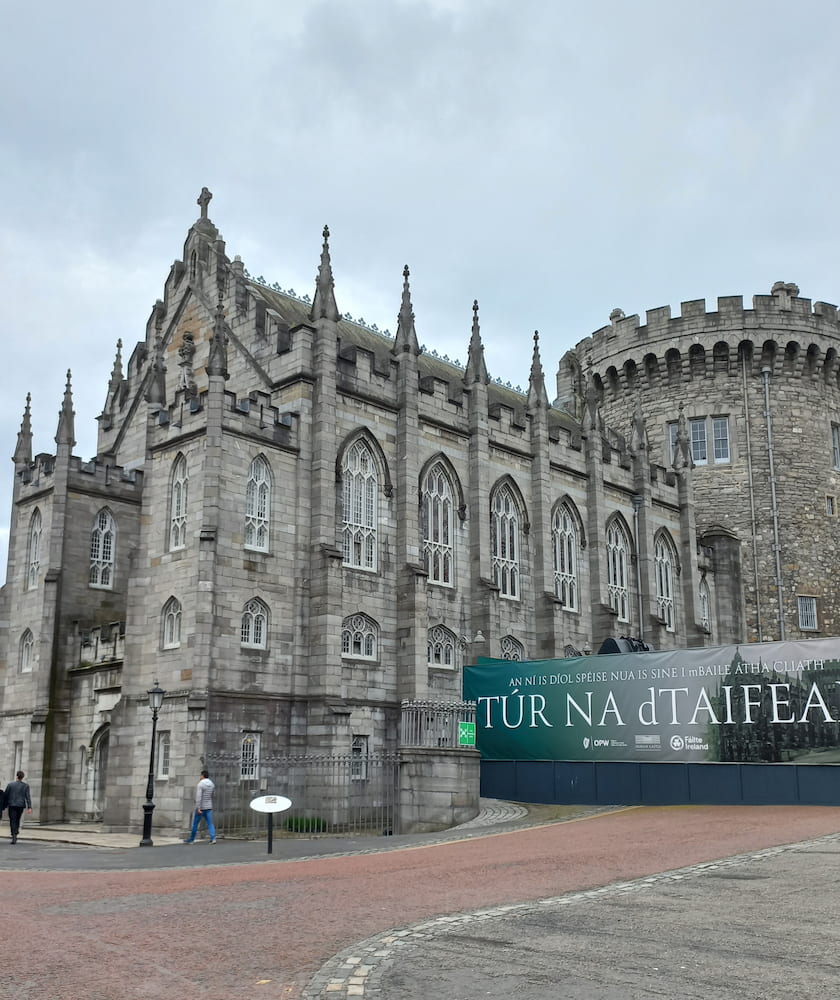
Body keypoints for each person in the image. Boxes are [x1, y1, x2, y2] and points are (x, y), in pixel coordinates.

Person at [183, 769, 217, 844]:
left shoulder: (200, 784)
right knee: (210, 823)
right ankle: (213, 838)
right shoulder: (212, 784)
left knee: (195, 824)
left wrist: (198, 807)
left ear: (203, 776)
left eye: (201, 775)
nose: (200, 777)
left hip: (201, 808)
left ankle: (191, 839)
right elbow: (213, 795)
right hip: (209, 807)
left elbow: (198, 797)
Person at [4, 771, 32, 844]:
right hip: (20, 805)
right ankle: (16, 832)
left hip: (12, 805)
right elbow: (27, 797)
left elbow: (6, 795)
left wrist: (5, 805)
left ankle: (14, 835)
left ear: (17, 776)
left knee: (12, 820)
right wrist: (29, 807)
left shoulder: (10, 785)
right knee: (17, 819)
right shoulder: (25, 786)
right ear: (22, 777)